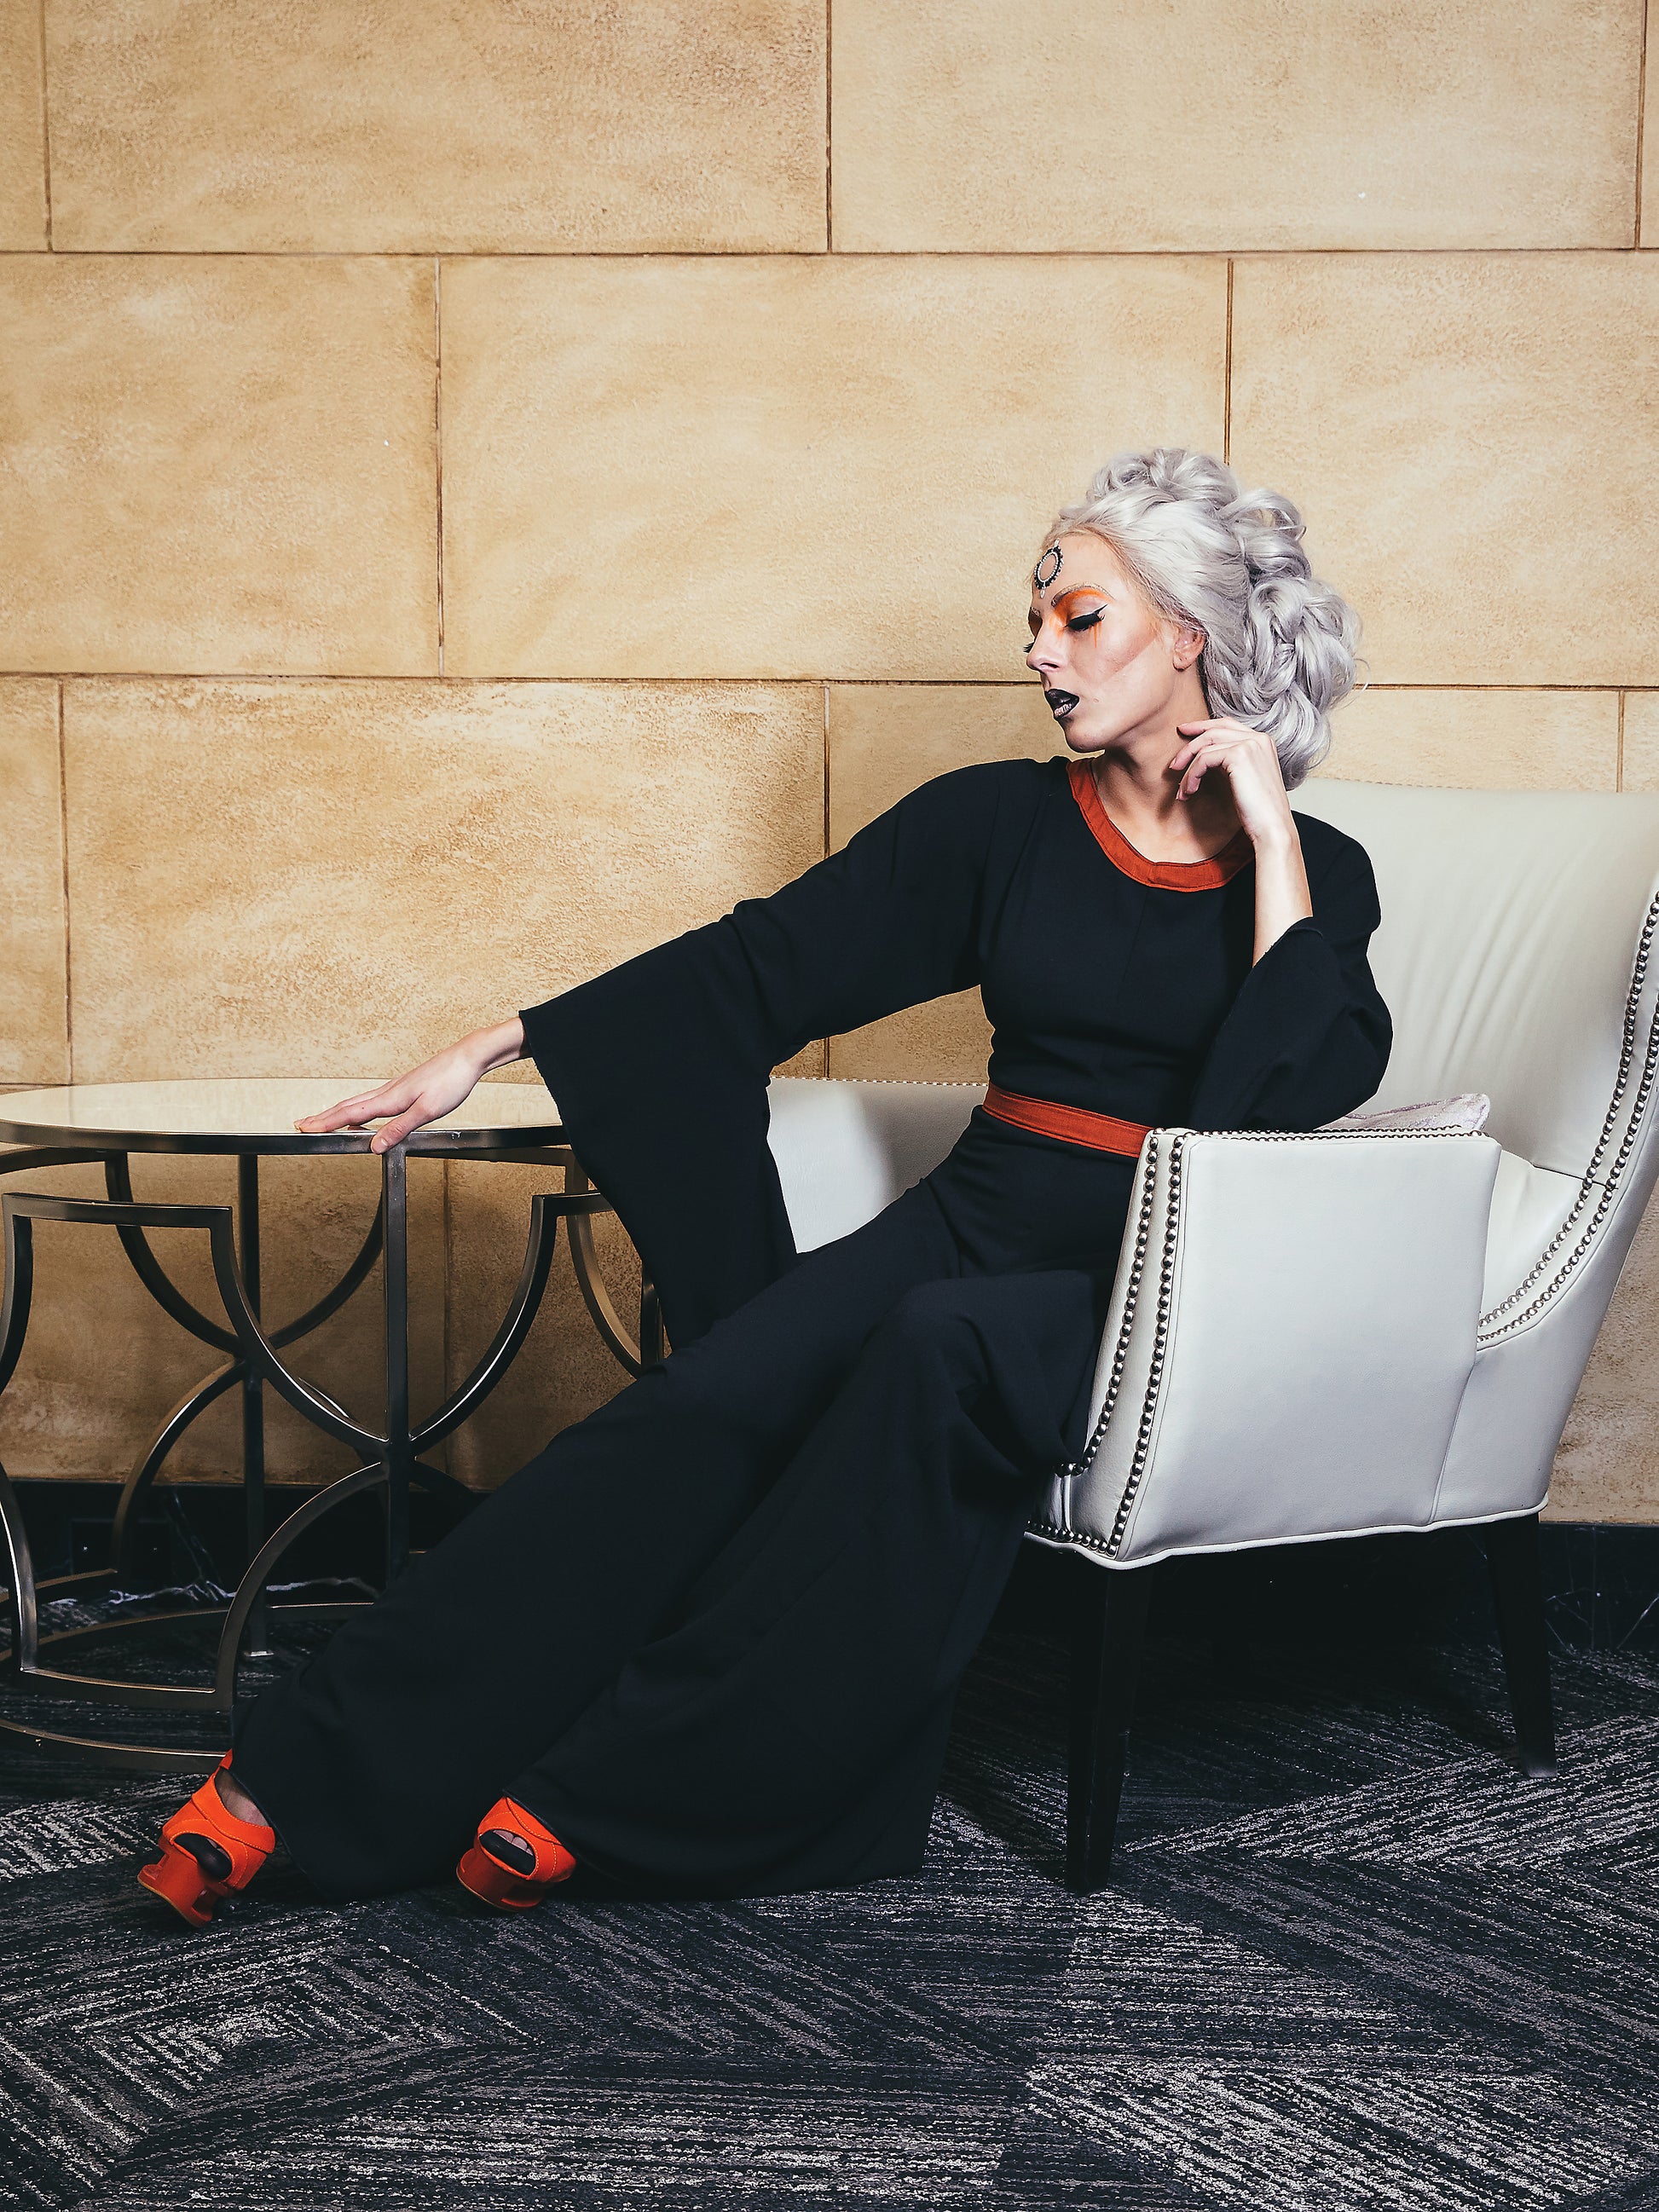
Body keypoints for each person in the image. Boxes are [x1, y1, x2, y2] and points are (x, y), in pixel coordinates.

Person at [139, 447, 1390, 1926]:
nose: (1040, 653)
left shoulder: (1318, 872)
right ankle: (300, 1781)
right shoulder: (992, 822)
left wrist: (1268, 830)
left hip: (1150, 1282)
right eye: (1034, 621)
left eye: (1079, 619)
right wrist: (497, 1044)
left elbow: (1286, 1089)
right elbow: (762, 965)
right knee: (700, 1404)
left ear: (1185, 636)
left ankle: (626, 1796)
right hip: (972, 1221)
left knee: (935, 1348)